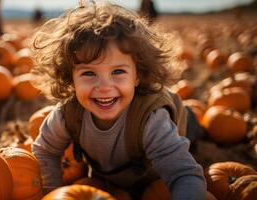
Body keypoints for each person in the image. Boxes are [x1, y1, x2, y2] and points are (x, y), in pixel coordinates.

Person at [30, 2, 207, 199]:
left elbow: (184, 174)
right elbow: (45, 151)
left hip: (175, 133)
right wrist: (53, 193)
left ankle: (195, 124)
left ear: (137, 75)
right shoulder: (67, 115)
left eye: (118, 71)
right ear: (70, 78)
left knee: (193, 129)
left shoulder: (152, 119)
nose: (104, 86)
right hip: (111, 182)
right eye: (89, 73)